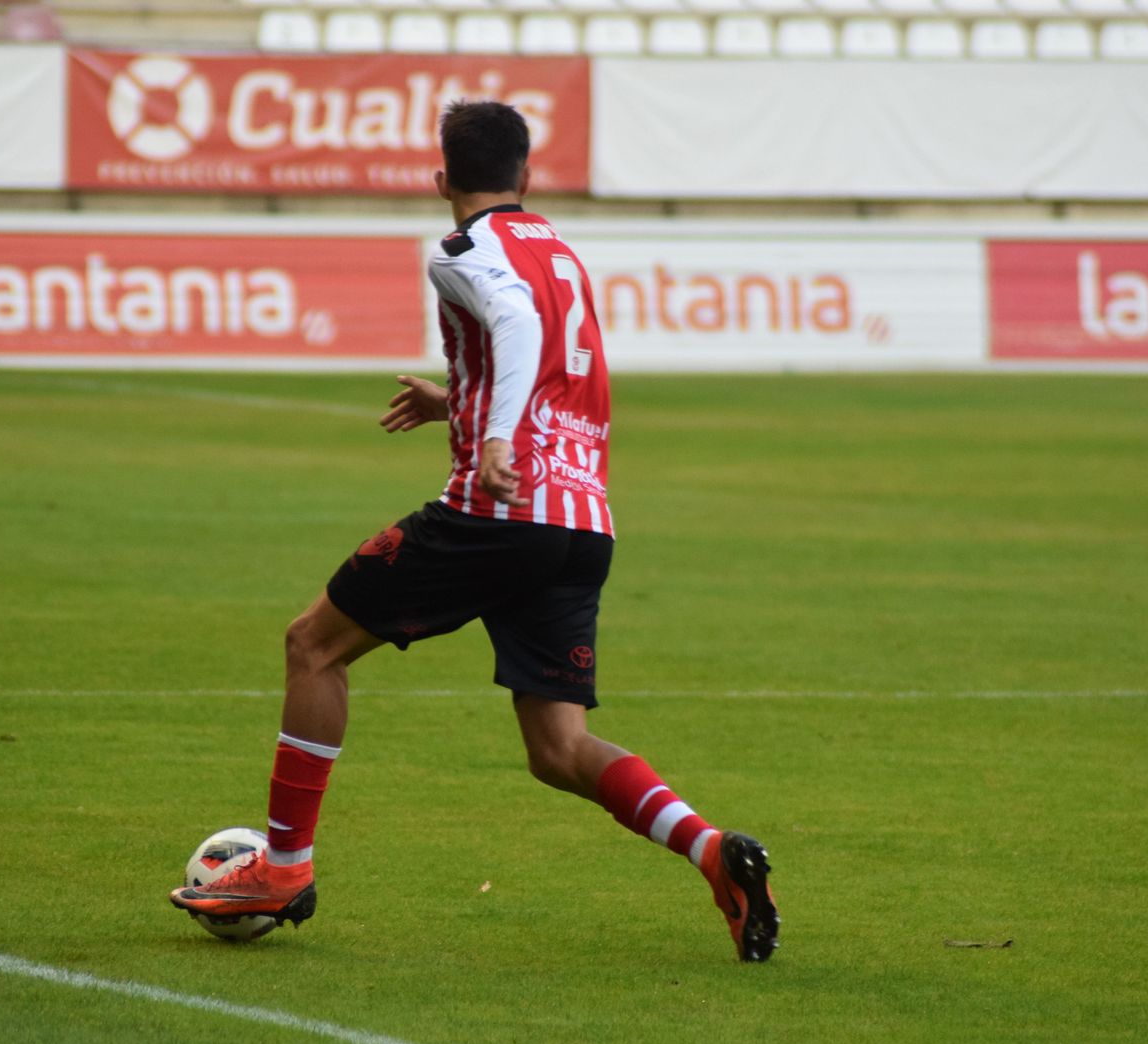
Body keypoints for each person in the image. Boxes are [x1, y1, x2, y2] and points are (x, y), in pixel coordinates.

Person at [170, 100, 779, 962]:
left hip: (502, 509)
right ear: (528, 177)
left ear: (439, 179)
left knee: (313, 644)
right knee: (557, 747)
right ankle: (712, 850)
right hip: (582, 520)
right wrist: (455, 402)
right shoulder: (559, 250)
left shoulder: (462, 249)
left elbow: (519, 329)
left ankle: (284, 866)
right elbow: (563, 370)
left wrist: (490, 438)